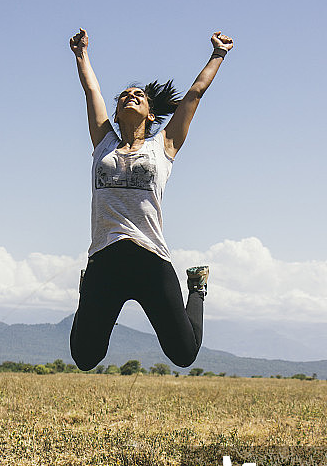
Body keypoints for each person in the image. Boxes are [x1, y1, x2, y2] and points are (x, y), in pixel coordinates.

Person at [69, 28, 233, 371]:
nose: (131, 96)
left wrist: (217, 54)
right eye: (124, 95)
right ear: (114, 115)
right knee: (84, 357)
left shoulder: (164, 147)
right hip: (105, 257)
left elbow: (194, 95)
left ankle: (198, 288)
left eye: (138, 95)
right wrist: (81, 53)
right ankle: (88, 291)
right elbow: (91, 90)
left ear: (150, 113)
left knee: (184, 354)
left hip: (149, 259)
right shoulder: (104, 143)